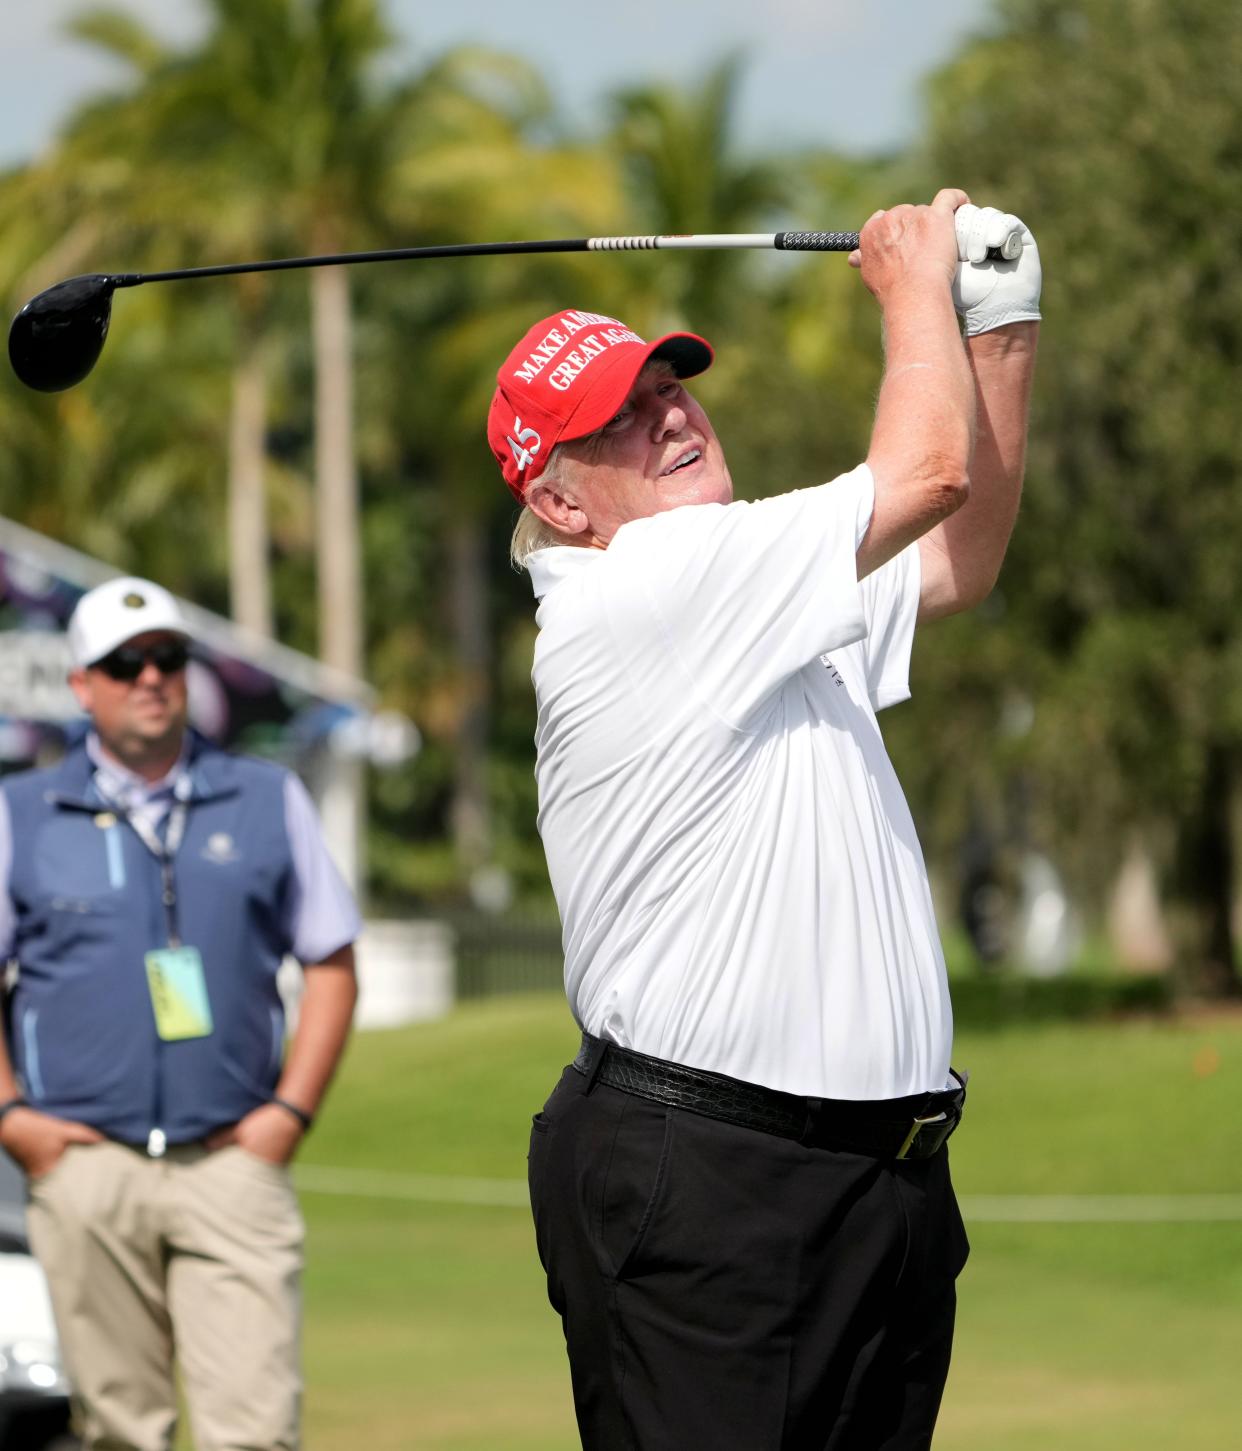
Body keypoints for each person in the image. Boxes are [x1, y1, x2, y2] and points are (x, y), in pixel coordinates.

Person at [486, 189, 1040, 1449]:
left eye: (665, 384)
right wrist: (912, 287)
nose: (667, 412)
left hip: (870, 1184)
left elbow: (961, 555)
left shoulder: (748, 582)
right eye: (615, 422)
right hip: (716, 1182)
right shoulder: (649, 588)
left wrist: (1000, 319)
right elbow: (928, 470)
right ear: (564, 505)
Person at [0, 576, 361, 1451]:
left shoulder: (266, 796)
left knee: (256, 1432)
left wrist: (288, 1115)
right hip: (84, 1167)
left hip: (230, 1161)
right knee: (122, 1433)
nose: (151, 677)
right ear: (82, 685)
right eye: (124, 664)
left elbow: (332, 962)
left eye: (167, 657)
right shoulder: (22, 811)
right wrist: (15, 1118)